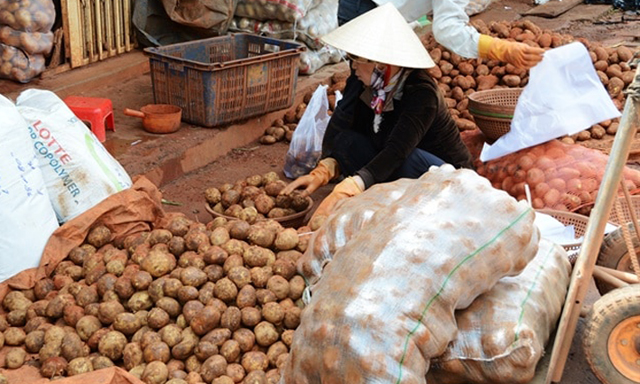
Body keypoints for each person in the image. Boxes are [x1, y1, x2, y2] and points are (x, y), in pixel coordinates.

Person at [281, 3, 475, 219]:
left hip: (447, 178)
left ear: (381, 65)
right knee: (347, 141)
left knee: (409, 158)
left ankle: (404, 206)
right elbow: (353, 128)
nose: (352, 66)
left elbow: (396, 152)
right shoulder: (366, 83)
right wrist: (325, 169)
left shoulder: (422, 94)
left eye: (358, 59)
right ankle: (382, 194)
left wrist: (352, 185)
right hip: (398, 163)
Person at [337, 0, 545, 69]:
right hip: (365, 9)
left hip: (374, 7)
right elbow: (446, 29)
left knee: (370, 84)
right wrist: (499, 49)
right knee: (364, 83)